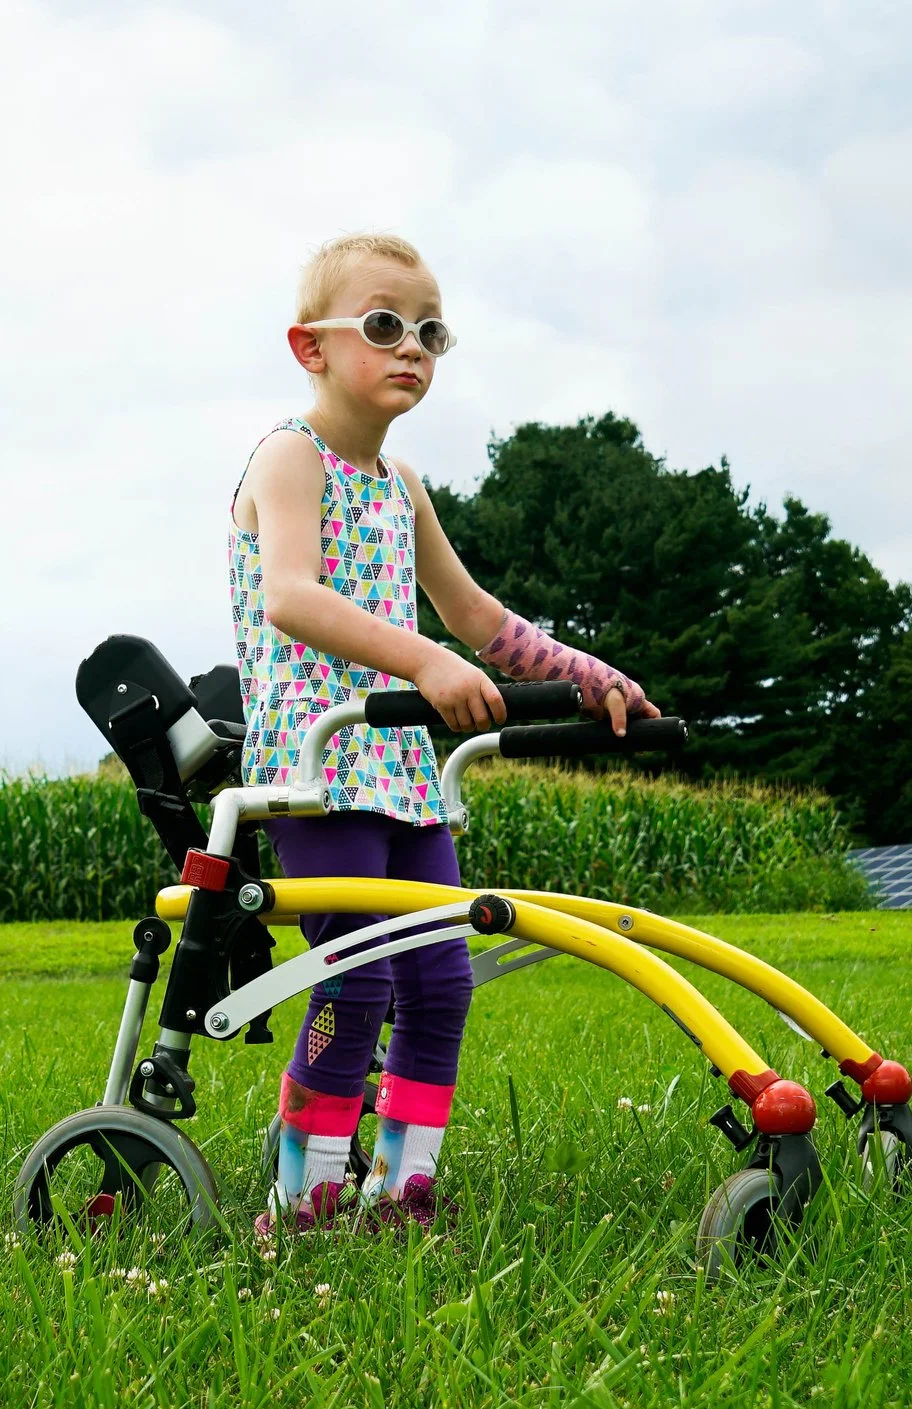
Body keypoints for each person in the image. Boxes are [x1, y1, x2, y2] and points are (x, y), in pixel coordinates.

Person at [232, 233, 658, 1233]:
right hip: (321, 763)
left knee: (439, 977)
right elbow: (292, 595)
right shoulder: (291, 457)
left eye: (430, 331)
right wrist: (419, 662)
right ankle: (301, 1203)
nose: (411, 347)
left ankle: (402, 1190)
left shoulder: (399, 485)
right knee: (361, 973)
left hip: (404, 771)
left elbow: (474, 618)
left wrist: (591, 675)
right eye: (383, 326)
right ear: (311, 347)